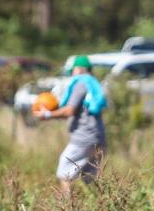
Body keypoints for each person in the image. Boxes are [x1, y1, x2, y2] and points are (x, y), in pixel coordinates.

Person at [38, 55, 107, 194]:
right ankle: (101, 208)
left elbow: (70, 110)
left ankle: (68, 210)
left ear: (79, 69)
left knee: (64, 174)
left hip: (83, 139)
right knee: (90, 179)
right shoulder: (93, 83)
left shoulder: (80, 84)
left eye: (73, 69)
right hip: (99, 139)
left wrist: (47, 114)